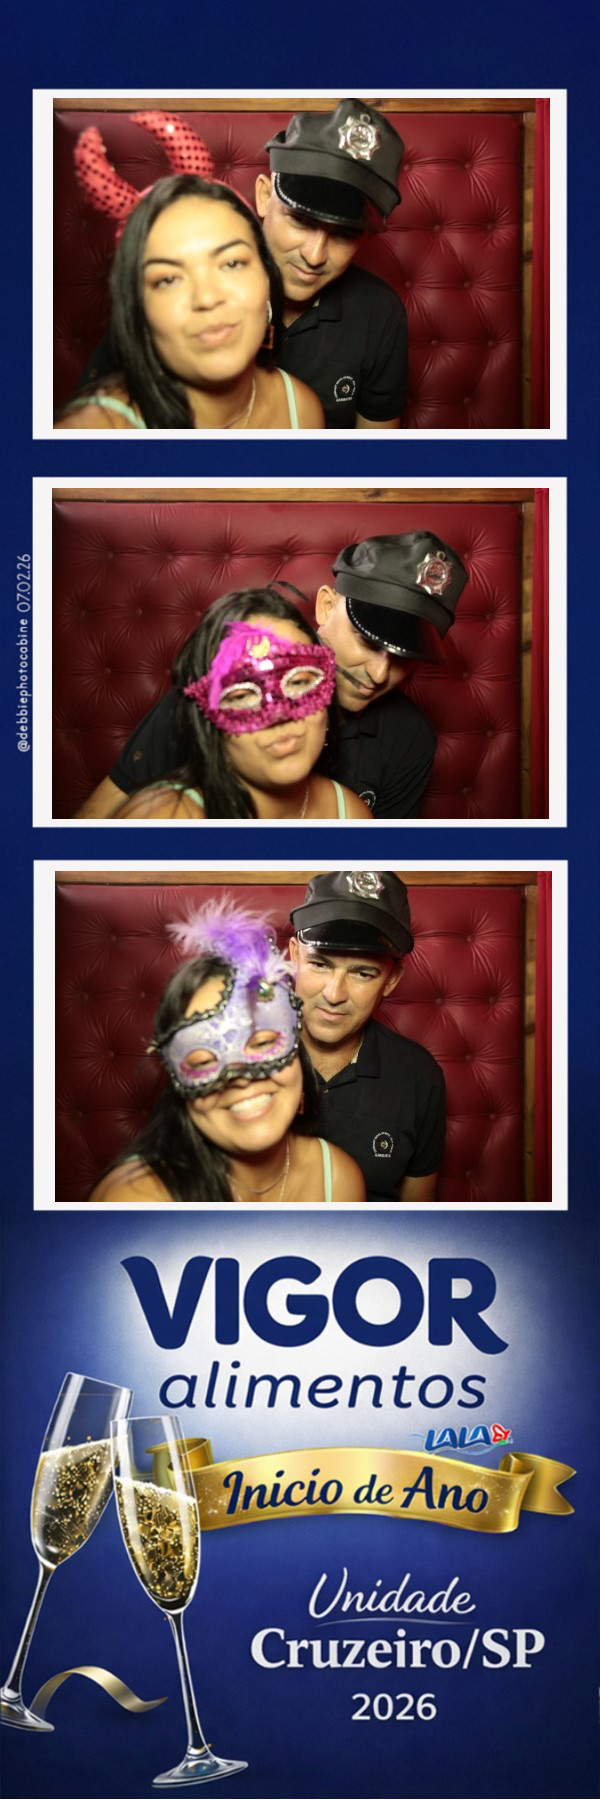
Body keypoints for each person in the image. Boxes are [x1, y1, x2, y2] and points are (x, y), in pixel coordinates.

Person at [75, 532, 468, 821]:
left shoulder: (407, 738)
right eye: (366, 640)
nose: (380, 674)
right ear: (326, 606)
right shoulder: (210, 695)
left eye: (404, 657)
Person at [72, 99, 407, 429]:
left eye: (345, 234)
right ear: (264, 196)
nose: (315, 255)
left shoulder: (379, 314)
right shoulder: (170, 304)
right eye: (301, 220)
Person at [88, 900, 365, 1205]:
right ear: (178, 1084)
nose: (239, 1076)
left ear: (297, 1052)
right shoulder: (133, 1201)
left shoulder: (338, 1178)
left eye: (263, 1043)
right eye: (204, 1061)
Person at [56, 176, 323, 430]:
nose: (207, 297)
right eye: (169, 279)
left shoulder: (302, 409)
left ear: (266, 278)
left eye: (232, 263)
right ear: (139, 310)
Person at [111, 590, 371, 822]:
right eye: (242, 695)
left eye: (299, 682)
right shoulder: (165, 821)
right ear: (208, 720)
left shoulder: (352, 817)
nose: (279, 713)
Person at [288, 871, 446, 1203]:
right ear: (294, 955)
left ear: (391, 980)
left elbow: (418, 1215)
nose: (334, 994)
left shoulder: (418, 1075)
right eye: (320, 964)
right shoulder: (239, 1057)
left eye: (362, 972)